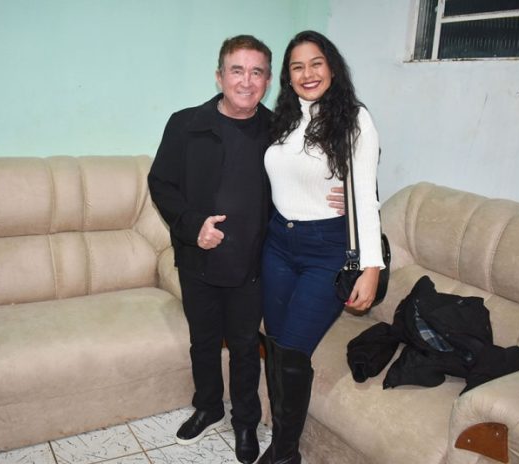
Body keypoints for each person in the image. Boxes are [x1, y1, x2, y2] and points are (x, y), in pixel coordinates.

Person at [148, 35, 344, 464]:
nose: (246, 81)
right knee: (202, 340)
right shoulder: (185, 124)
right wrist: (192, 226)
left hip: (255, 263)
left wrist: (344, 193)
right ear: (220, 76)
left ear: (269, 81)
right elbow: (160, 183)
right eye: (237, 70)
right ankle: (208, 406)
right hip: (197, 256)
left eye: (257, 72)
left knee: (243, 347)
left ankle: (245, 422)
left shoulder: (281, 131)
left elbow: (314, 175)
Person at [259, 30, 385, 464]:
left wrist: (372, 267)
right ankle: (281, 443)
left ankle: (284, 455)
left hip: (326, 249)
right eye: (297, 67)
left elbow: (365, 195)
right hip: (279, 244)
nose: (307, 73)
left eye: (316, 63)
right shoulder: (283, 119)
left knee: (294, 350)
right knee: (276, 344)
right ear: (288, 77)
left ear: (331, 67)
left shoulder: (354, 119)